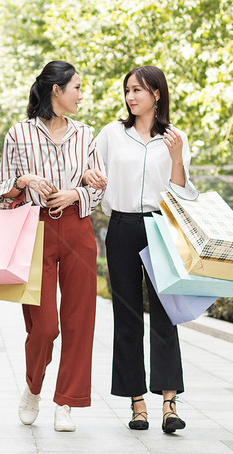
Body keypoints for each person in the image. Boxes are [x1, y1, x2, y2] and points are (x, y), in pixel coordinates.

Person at [83, 65, 198, 433]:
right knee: (128, 317)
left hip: (161, 227)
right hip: (122, 227)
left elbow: (181, 194)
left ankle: (169, 404)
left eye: (139, 90)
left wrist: (177, 158)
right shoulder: (111, 134)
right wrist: (90, 177)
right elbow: (89, 171)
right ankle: (137, 404)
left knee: (166, 315)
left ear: (157, 95)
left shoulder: (175, 138)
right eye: (128, 90)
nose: (131, 97)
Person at [0, 60, 104, 432]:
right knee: (44, 328)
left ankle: (66, 404)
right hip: (34, 230)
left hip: (77, 230)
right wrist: (23, 180)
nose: (81, 95)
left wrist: (78, 191)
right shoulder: (18, 134)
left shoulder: (86, 135)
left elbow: (97, 189)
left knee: (79, 322)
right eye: (77, 88)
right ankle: (32, 386)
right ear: (56, 90)